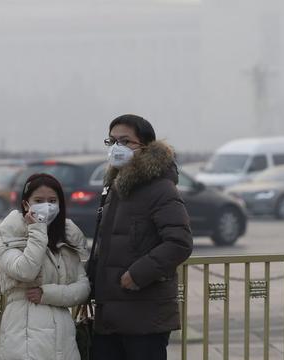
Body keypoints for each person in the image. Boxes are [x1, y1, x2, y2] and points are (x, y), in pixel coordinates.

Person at [89, 114, 193, 360]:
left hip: (144, 316)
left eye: (125, 141)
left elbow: (179, 242)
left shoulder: (160, 188)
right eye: (112, 141)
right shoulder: (116, 186)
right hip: (109, 315)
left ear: (145, 147)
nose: (117, 148)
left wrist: (137, 274)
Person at [0, 173, 90, 360]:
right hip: (24, 332)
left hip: (63, 336)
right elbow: (26, 271)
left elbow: (83, 288)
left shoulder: (67, 239)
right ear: (26, 205)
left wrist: (48, 294)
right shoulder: (11, 237)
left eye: (52, 201)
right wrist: (37, 230)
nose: (47, 206)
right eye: (39, 200)